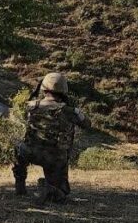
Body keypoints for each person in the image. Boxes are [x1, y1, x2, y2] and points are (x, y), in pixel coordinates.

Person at [12, 72, 90, 203]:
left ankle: (20, 186)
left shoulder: (32, 106)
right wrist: (76, 111)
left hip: (32, 153)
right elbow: (87, 124)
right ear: (64, 90)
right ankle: (51, 189)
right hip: (55, 158)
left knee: (18, 148)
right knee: (61, 191)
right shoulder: (69, 111)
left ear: (44, 88)